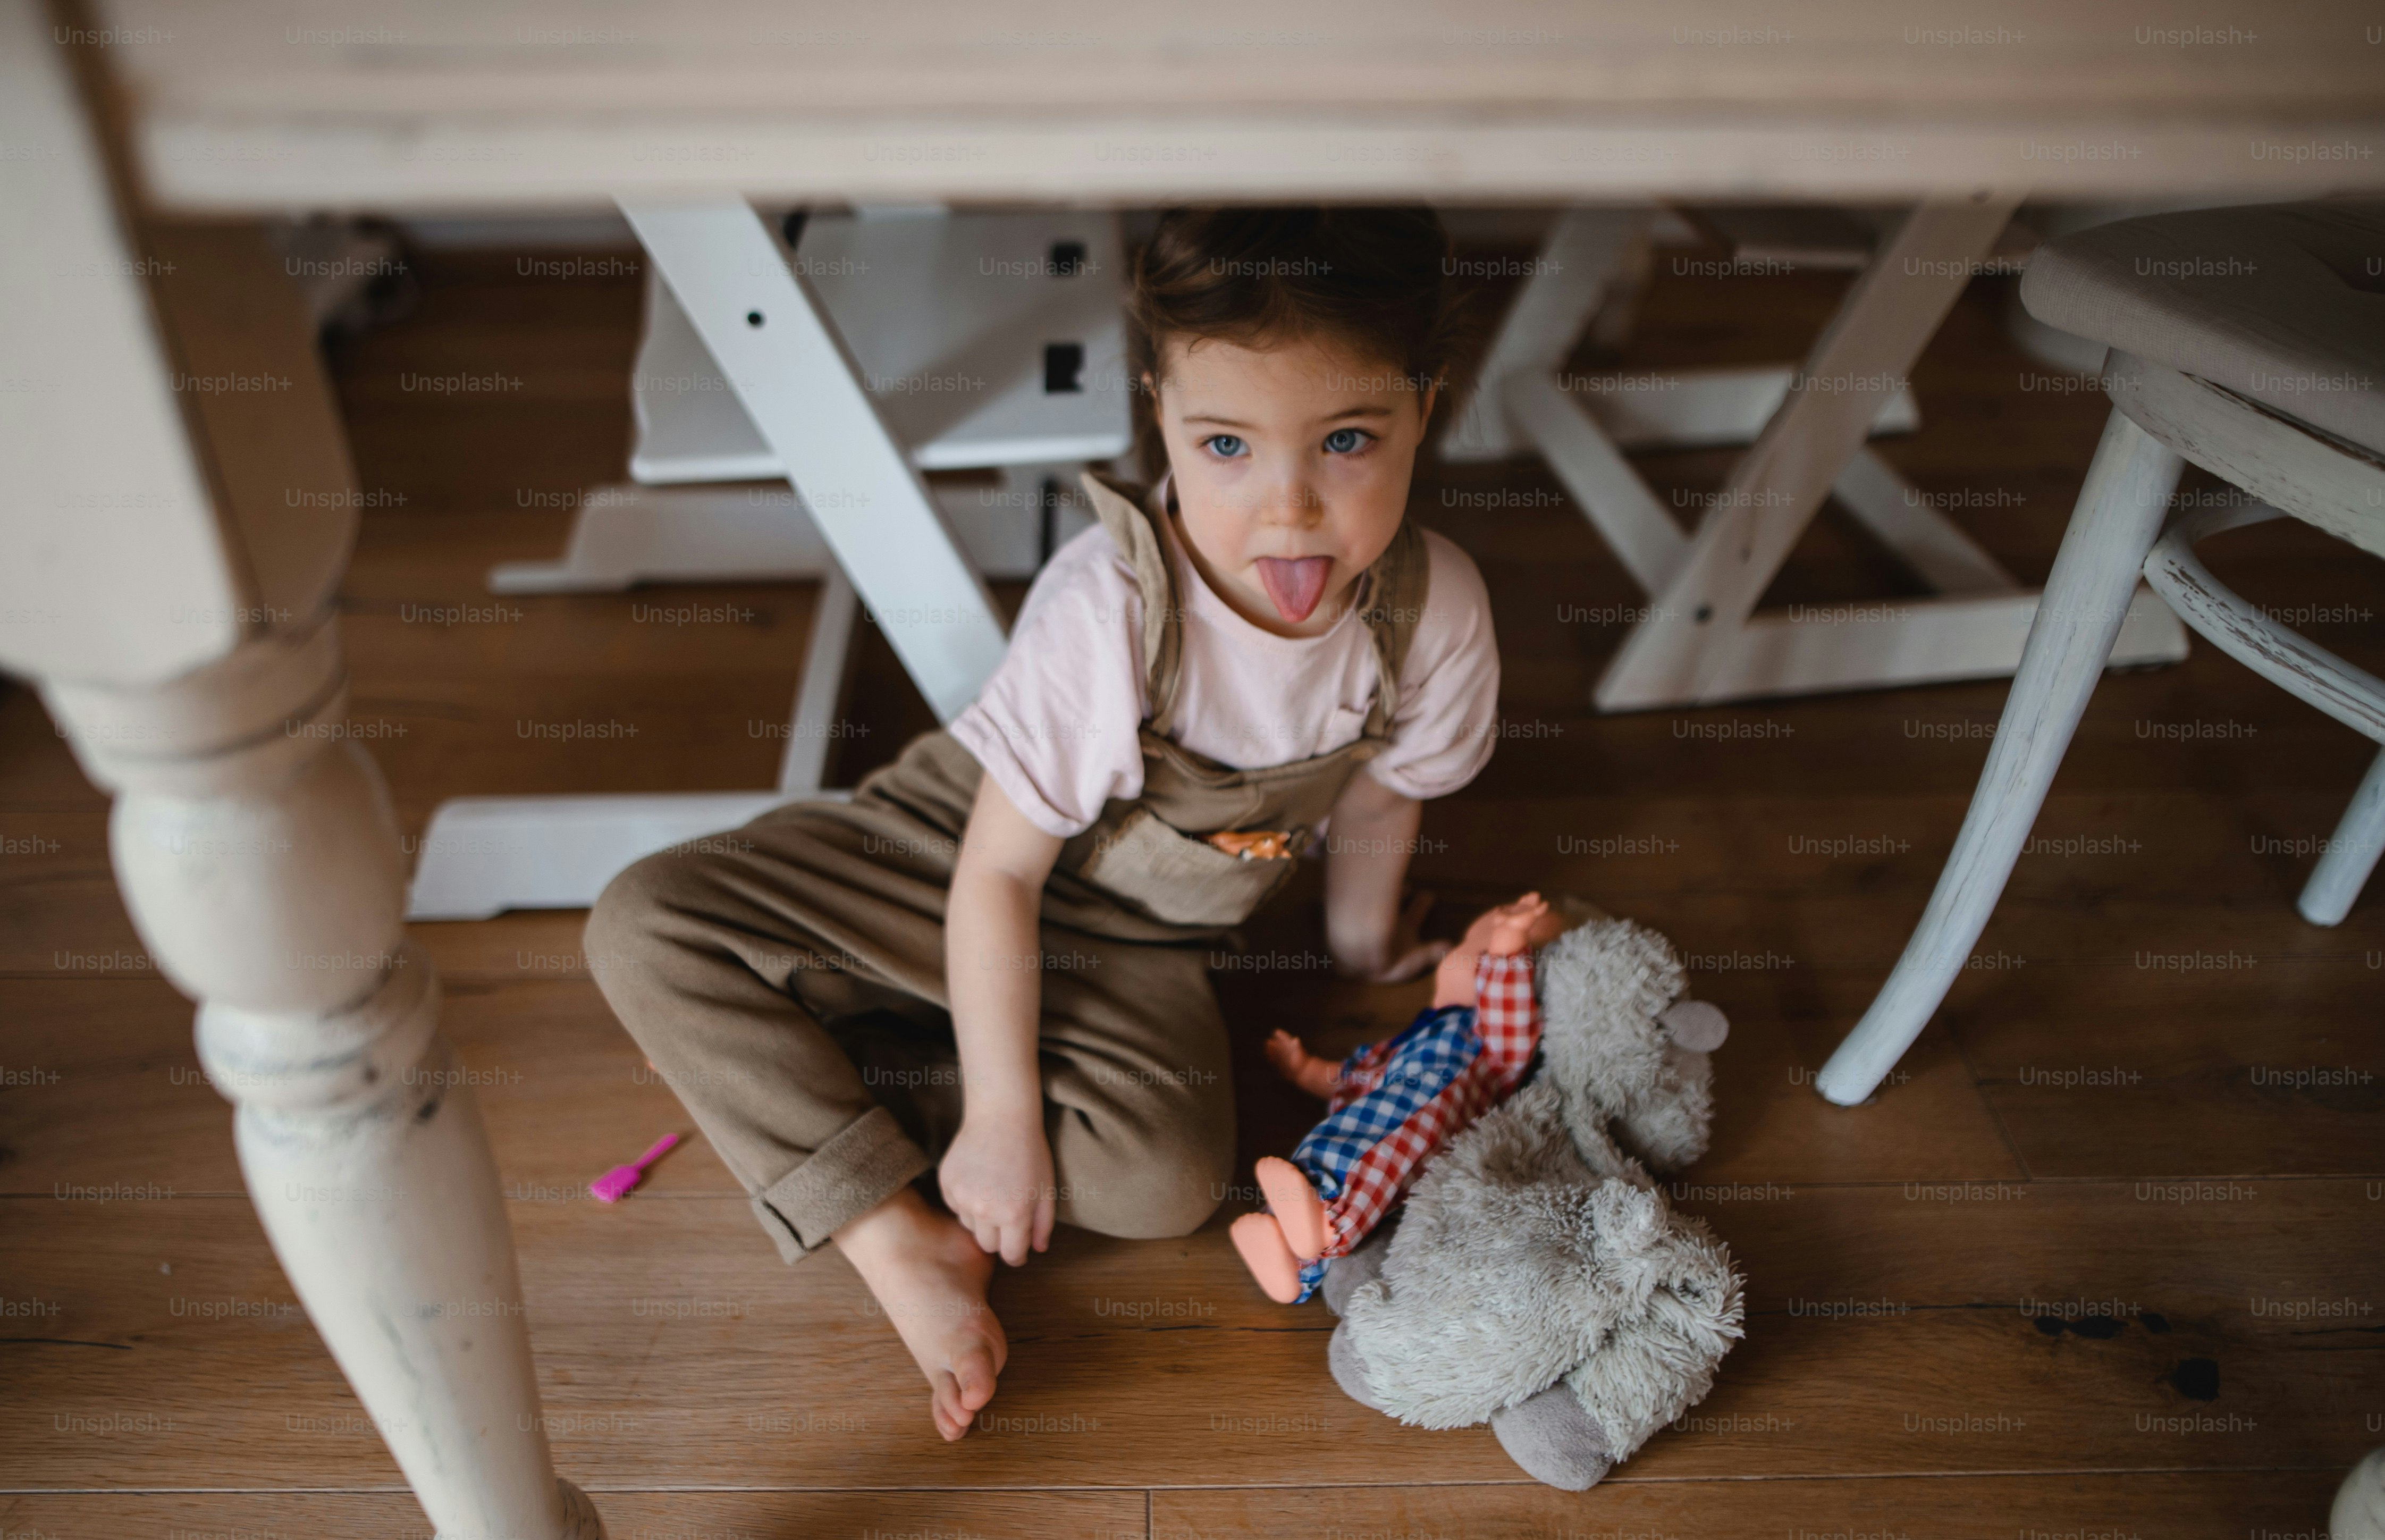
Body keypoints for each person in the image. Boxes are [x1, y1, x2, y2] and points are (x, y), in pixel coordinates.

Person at [585, 206, 1502, 1441]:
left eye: (1346, 442)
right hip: (960, 857)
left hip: (1144, 944)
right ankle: (888, 1232)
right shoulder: (1115, 607)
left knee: (1169, 1181)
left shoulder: (1431, 612)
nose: (1286, 511)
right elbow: (999, 874)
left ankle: (795, 1058)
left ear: (1423, 412)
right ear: (1161, 414)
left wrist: (1361, 946)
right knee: (646, 923)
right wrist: (1008, 1124)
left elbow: (1386, 792)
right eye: (1225, 446)